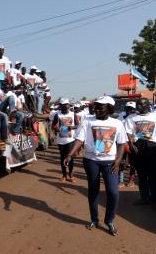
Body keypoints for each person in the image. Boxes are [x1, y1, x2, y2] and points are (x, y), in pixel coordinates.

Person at [64, 95, 127, 236]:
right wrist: (70, 154)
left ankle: (109, 220)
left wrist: (118, 160)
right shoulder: (87, 121)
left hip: (110, 162)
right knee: (93, 190)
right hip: (91, 160)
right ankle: (94, 219)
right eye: (96, 107)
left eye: (100, 107)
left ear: (109, 109)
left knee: (113, 192)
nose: (96, 109)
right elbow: (80, 139)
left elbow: (122, 144)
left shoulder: (117, 124)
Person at [124, 98, 156, 213]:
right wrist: (131, 144)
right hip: (138, 147)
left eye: (142, 104)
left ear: (148, 105)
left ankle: (155, 201)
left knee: (154, 176)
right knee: (142, 174)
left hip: (152, 147)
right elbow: (128, 132)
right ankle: (144, 198)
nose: (139, 106)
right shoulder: (131, 118)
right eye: (138, 104)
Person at [53, 98, 77, 183]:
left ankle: (71, 175)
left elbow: (77, 125)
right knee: (62, 158)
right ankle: (64, 175)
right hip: (61, 140)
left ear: (68, 106)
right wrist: (56, 128)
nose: (65, 107)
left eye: (66, 105)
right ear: (60, 106)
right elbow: (53, 125)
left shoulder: (73, 114)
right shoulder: (57, 114)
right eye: (62, 106)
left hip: (70, 140)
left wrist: (72, 127)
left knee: (70, 158)